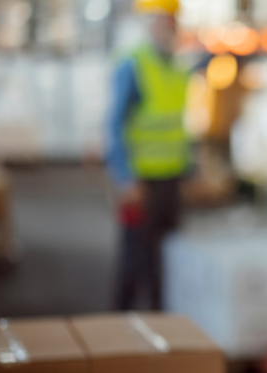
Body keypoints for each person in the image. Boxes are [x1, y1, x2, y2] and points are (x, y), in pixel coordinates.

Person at [105, 0, 191, 310]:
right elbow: (114, 125)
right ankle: (121, 330)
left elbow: (176, 125)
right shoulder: (134, 64)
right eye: (168, 21)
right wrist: (125, 178)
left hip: (170, 178)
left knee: (164, 263)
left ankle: (160, 334)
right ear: (152, 22)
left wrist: (190, 169)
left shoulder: (175, 66)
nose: (173, 28)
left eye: (175, 21)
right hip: (140, 181)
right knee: (134, 262)